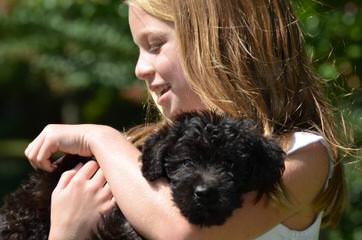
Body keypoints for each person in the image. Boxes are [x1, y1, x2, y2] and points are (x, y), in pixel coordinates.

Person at [25, 0, 346, 239]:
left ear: (221, 41)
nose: (139, 68)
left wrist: (100, 136)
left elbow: (181, 231)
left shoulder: (303, 154)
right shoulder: (144, 153)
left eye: (154, 44)